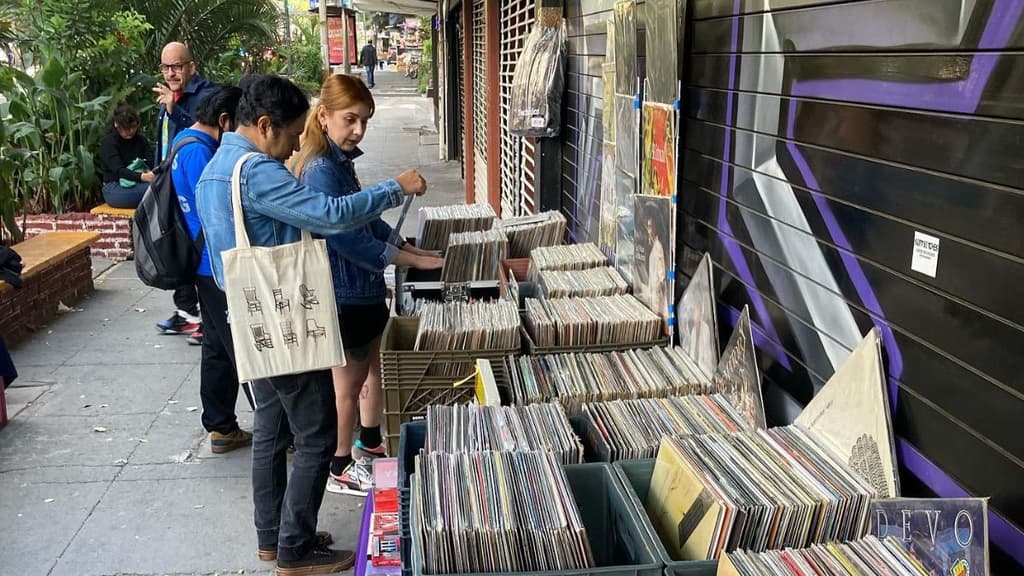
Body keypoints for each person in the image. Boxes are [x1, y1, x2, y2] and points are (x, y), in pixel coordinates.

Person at [195, 74, 427, 574]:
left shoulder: (216, 169)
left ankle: (273, 537)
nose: (294, 148)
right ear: (264, 125)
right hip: (286, 323)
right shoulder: (256, 171)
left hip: (251, 317)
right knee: (318, 433)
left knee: (272, 430)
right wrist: (395, 188)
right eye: (291, 134)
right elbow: (329, 215)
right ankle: (296, 550)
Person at [289, 75, 443, 496]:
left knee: (371, 369)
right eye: (349, 119)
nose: (357, 129)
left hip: (363, 290)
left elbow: (365, 219)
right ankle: (340, 464)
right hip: (346, 293)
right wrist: (407, 257)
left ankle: (370, 439)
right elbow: (347, 235)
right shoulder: (320, 169)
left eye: (364, 121)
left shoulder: (337, 163)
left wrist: (404, 244)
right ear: (323, 115)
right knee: (347, 385)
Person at [169, 85, 253, 454]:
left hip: (203, 264)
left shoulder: (181, 142)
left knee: (218, 347)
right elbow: (219, 207)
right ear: (225, 121)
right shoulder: (201, 154)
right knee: (246, 350)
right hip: (215, 265)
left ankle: (221, 426)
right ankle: (278, 433)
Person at [154, 41, 216, 342]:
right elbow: (165, 140)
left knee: (198, 247)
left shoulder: (205, 96)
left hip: (193, 182)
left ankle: (206, 316)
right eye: (166, 67)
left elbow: (201, 130)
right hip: (171, 180)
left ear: (191, 66)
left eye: (177, 66)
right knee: (176, 245)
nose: (171, 73)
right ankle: (185, 311)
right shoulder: (169, 96)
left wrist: (173, 108)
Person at [98, 103, 154, 209]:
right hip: (114, 188)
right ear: (116, 124)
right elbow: (119, 170)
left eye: (133, 127)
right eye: (125, 128)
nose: (130, 132)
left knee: (162, 187)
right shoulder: (109, 143)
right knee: (159, 190)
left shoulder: (141, 140)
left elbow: (152, 161)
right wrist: (143, 177)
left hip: (139, 184)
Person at [644, 211, 667, 319]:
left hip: (657, 303)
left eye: (651, 227)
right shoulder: (653, 247)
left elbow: (662, 278)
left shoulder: (658, 248)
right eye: (648, 227)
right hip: (652, 300)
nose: (649, 231)